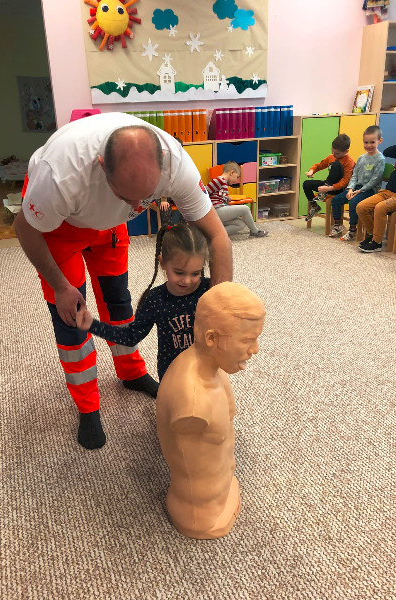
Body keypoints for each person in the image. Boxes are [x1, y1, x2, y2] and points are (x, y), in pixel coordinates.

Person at [14, 112, 232, 451]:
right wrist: (60, 286)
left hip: (110, 229)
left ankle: (130, 371)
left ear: (163, 165)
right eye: (126, 195)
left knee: (118, 302)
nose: (136, 205)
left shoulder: (178, 165)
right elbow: (24, 230)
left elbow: (219, 238)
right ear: (102, 166)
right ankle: (88, 406)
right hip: (58, 229)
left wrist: (216, 309)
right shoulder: (58, 175)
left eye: (144, 197)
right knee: (71, 318)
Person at [156, 282, 266, 539]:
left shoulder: (216, 369)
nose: (255, 349)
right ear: (211, 338)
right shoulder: (192, 403)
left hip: (222, 491)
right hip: (199, 511)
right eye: (247, 340)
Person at [76, 224, 210, 381]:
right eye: (179, 272)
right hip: (173, 375)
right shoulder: (155, 299)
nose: (187, 280)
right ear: (162, 262)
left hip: (206, 369)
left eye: (195, 273)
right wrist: (93, 325)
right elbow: (130, 336)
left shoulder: (208, 289)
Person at [329, 125, 385, 239]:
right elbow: (354, 175)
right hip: (355, 188)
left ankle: (352, 230)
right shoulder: (361, 158)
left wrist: (359, 191)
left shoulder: (380, 159)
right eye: (366, 142)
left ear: (380, 141)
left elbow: (374, 181)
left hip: (370, 190)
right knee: (336, 200)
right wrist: (350, 189)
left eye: (372, 142)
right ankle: (338, 225)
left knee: (353, 202)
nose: (368, 145)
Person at [206, 161, 268, 237]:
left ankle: (215, 234)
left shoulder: (223, 183)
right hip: (216, 211)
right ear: (231, 172)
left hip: (220, 211)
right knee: (245, 209)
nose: (236, 180)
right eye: (237, 177)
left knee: (241, 224)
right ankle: (255, 231)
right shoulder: (219, 180)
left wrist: (226, 198)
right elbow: (204, 192)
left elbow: (217, 196)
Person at [304, 133, 355, 222]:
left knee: (336, 165)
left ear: (346, 151)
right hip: (327, 186)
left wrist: (329, 188)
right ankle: (315, 206)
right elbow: (320, 165)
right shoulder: (331, 157)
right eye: (332, 151)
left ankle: (324, 192)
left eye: (337, 153)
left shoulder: (349, 161)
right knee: (306, 184)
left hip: (339, 189)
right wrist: (311, 171)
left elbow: (345, 181)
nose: (334, 154)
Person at [357, 145, 396, 252]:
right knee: (361, 207)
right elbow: (387, 152)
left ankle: (377, 242)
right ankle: (372, 234)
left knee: (380, 208)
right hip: (386, 192)